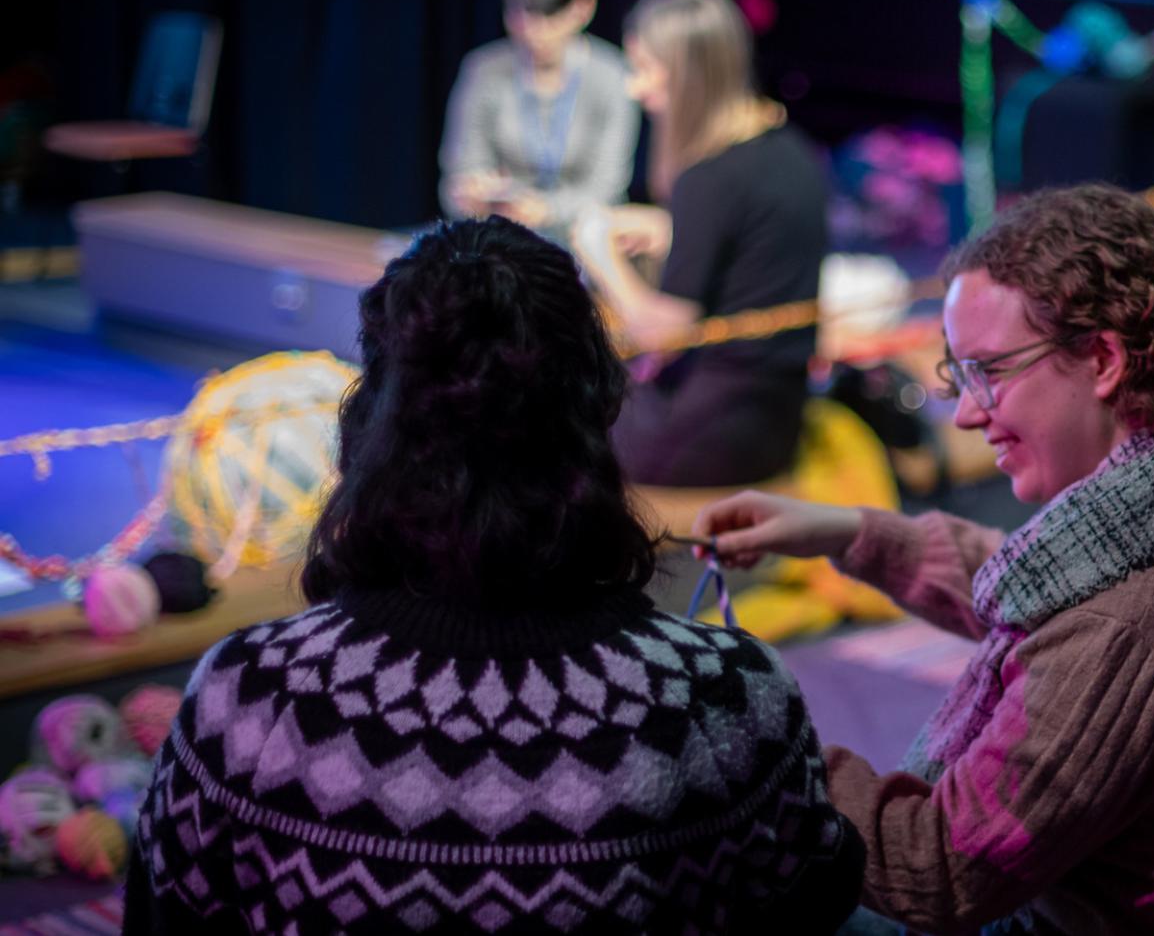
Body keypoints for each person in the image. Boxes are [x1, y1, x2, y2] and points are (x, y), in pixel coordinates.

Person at [123, 218, 861, 935]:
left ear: (368, 421)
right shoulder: (731, 696)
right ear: (597, 410)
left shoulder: (246, 695)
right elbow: (821, 901)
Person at [694, 185, 1154, 934]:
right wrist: (848, 531)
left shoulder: (1132, 626)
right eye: (960, 376)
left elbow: (940, 868)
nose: (965, 412)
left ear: (1104, 357)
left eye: (989, 370)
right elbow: (1048, 592)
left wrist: (763, 748)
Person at [570, 0, 828, 488]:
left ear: (688, 77)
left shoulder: (707, 179)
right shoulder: (790, 148)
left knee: (554, 410)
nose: (633, 87)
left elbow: (664, 335)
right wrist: (671, 228)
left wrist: (598, 253)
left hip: (713, 433)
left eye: (644, 69)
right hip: (777, 421)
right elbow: (755, 243)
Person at [438, 0, 639, 240]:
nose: (532, 32)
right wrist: (472, 191)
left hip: (582, 242)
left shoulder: (612, 76)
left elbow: (607, 186)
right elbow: (462, 167)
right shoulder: (483, 69)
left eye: (548, 16)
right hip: (497, 237)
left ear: (583, 7)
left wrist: (547, 209)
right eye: (519, 16)